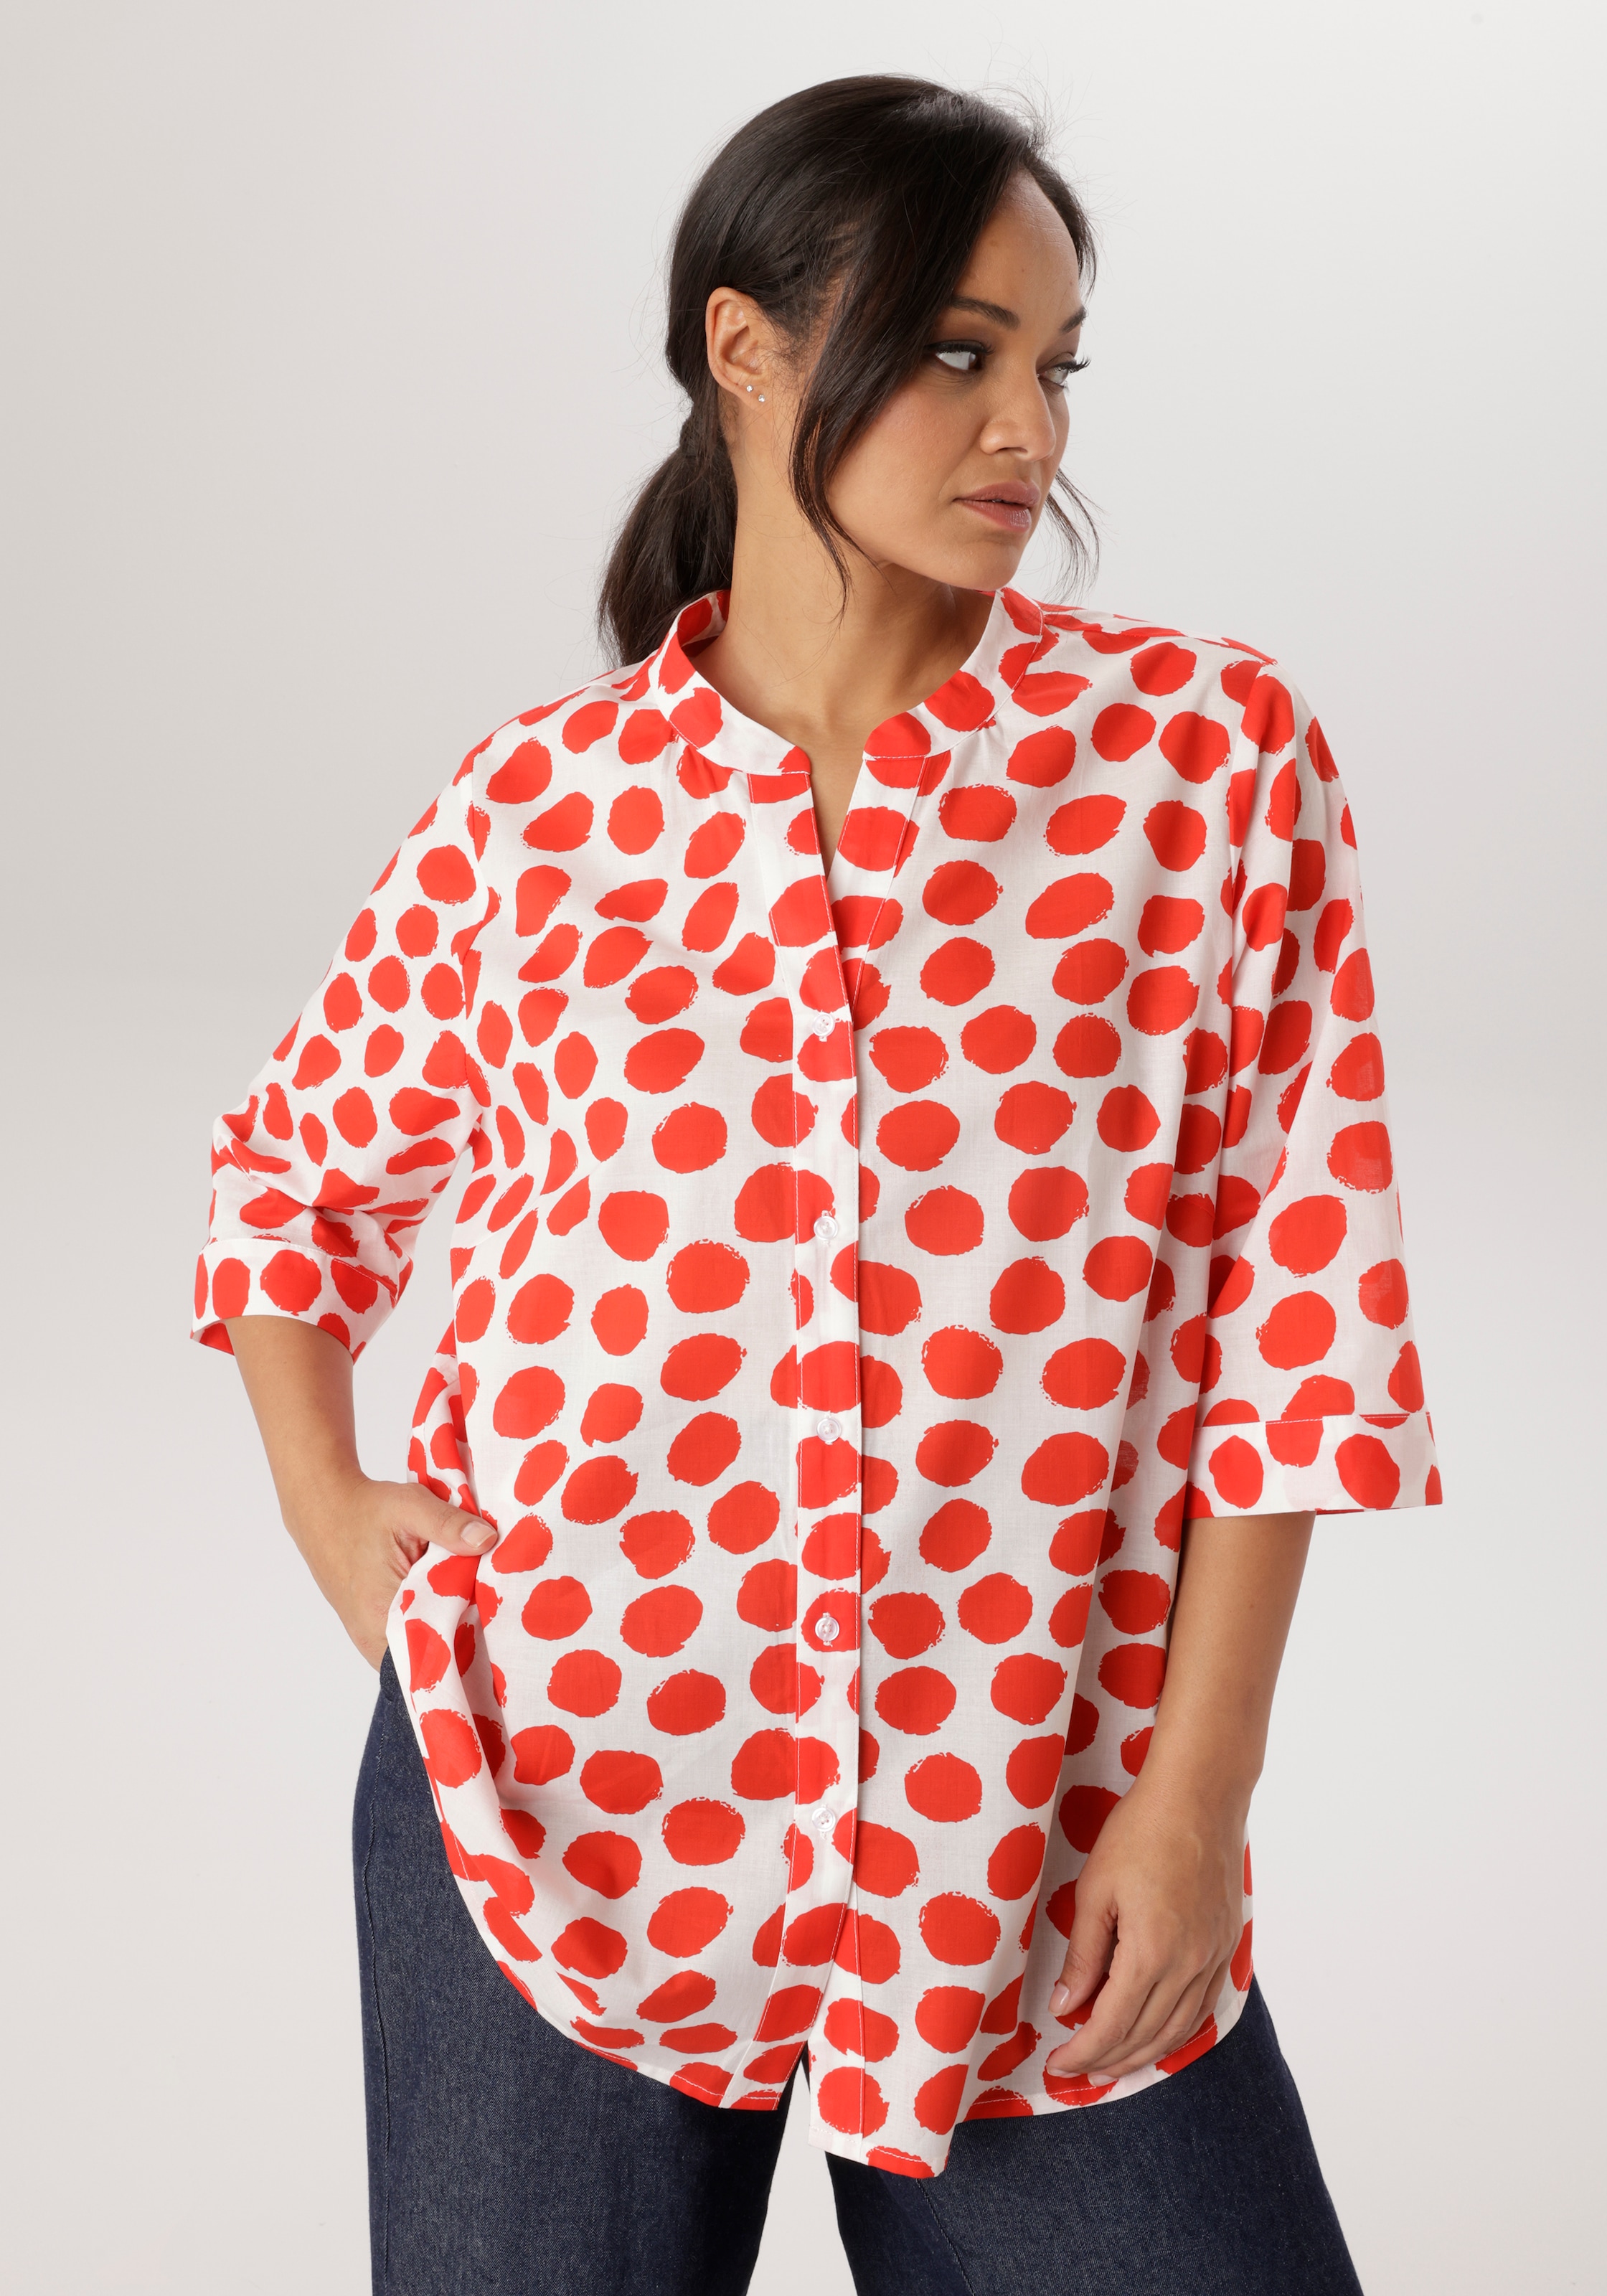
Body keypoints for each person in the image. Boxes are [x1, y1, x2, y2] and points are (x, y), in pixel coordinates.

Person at [192, 72, 1439, 2296]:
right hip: (556, 1803)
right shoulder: (538, 812)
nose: (1028, 431)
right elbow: (294, 1183)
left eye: (1054, 366)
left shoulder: (1199, 769)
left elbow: (1298, 1317)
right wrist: (325, 1500)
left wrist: (1194, 1799)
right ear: (747, 353)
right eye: (958, 352)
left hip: (1034, 1829)